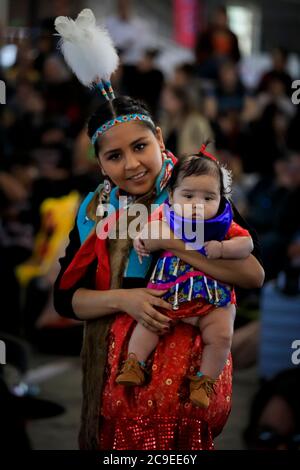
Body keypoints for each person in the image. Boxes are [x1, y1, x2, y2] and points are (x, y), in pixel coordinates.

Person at [53, 9, 264, 450]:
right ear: (99, 162)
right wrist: (124, 299)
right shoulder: (95, 210)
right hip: (122, 371)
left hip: (193, 368)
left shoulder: (197, 193)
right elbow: (66, 299)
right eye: (114, 156)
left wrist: (177, 247)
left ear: (161, 139)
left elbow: (252, 275)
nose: (131, 164)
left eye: (140, 146)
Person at [116, 149, 253, 409]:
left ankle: (204, 381)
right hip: (170, 292)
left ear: (222, 200)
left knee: (222, 334)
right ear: (171, 196)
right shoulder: (166, 215)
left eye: (208, 197)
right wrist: (141, 239)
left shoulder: (224, 224)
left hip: (212, 299)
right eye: (188, 196)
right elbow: (149, 229)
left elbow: (246, 244)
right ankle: (134, 363)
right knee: (150, 322)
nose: (197, 205)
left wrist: (224, 249)